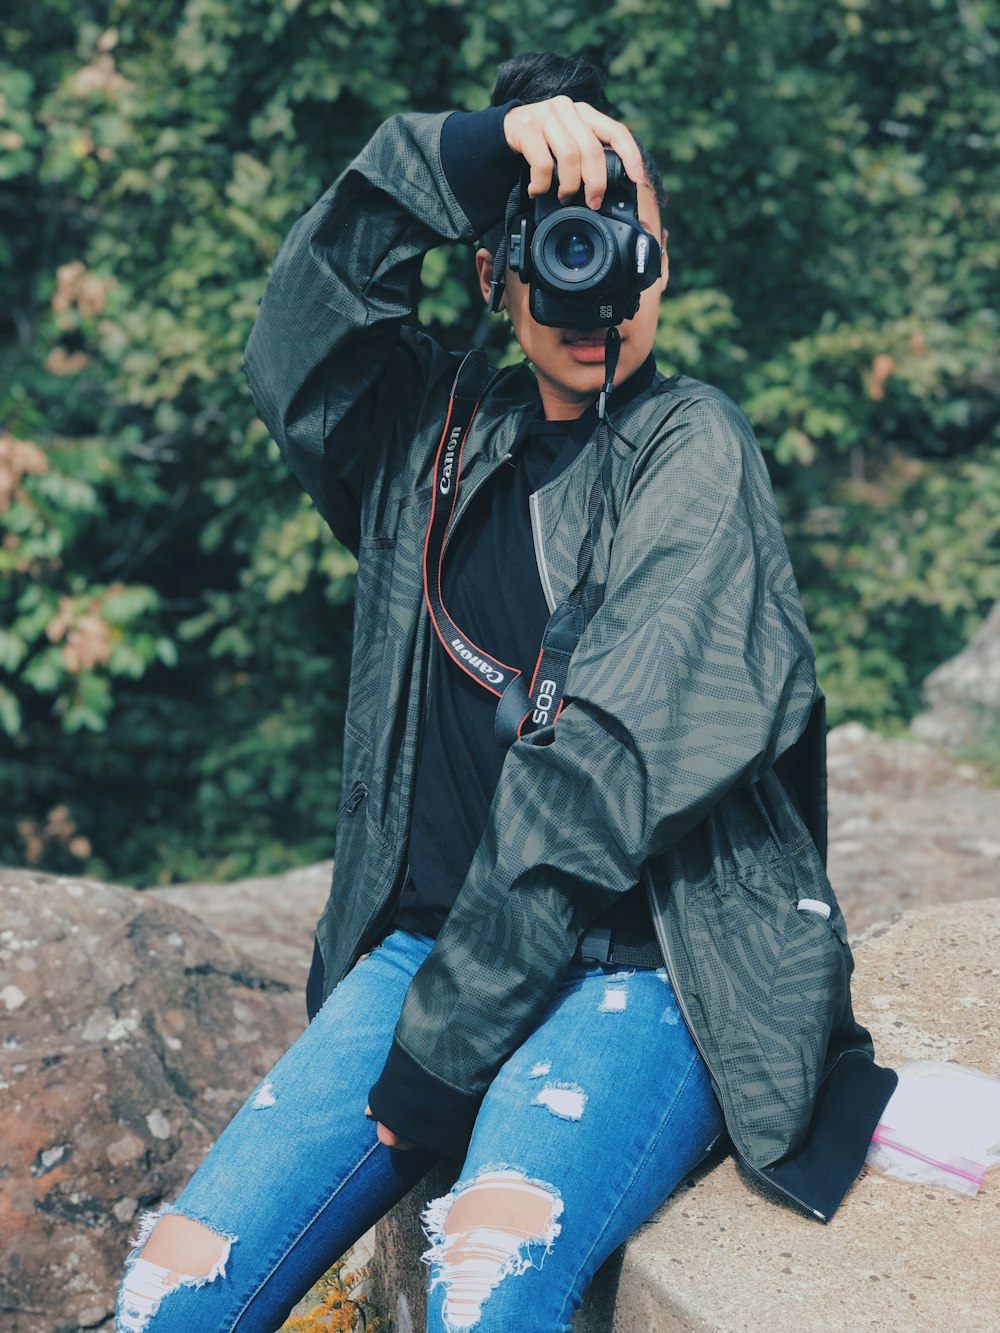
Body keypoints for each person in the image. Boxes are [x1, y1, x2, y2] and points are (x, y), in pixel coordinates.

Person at [115, 53, 896, 1333]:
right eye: (553, 237)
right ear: (493, 267)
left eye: (619, 227)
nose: (591, 278)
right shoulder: (421, 435)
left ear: (662, 258)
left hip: (645, 965)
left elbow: (603, 765)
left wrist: (440, 1057)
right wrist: (468, 154)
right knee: (169, 1294)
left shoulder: (695, 446)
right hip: (421, 952)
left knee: (487, 1283)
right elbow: (292, 339)